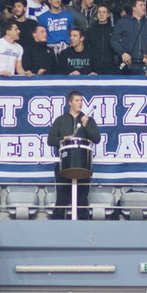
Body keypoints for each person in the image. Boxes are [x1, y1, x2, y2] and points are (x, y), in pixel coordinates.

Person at [46, 90, 101, 220]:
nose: (80, 103)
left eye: (81, 101)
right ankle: (57, 226)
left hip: (83, 164)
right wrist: (63, 138)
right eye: (77, 100)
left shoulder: (89, 120)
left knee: (82, 198)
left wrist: (85, 126)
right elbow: (50, 140)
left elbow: (96, 139)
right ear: (70, 102)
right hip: (64, 163)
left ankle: (84, 227)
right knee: (62, 197)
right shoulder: (61, 120)